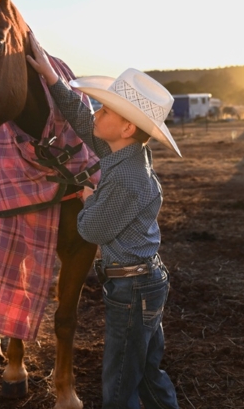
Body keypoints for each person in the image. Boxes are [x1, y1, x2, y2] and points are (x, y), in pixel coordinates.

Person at [27, 33, 181, 409]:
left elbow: (90, 229)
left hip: (131, 290)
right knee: (145, 372)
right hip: (144, 282)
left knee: (117, 385)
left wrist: (90, 198)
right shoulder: (124, 153)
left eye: (106, 111)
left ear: (127, 128)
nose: (96, 111)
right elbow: (81, 120)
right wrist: (50, 75)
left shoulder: (127, 177)